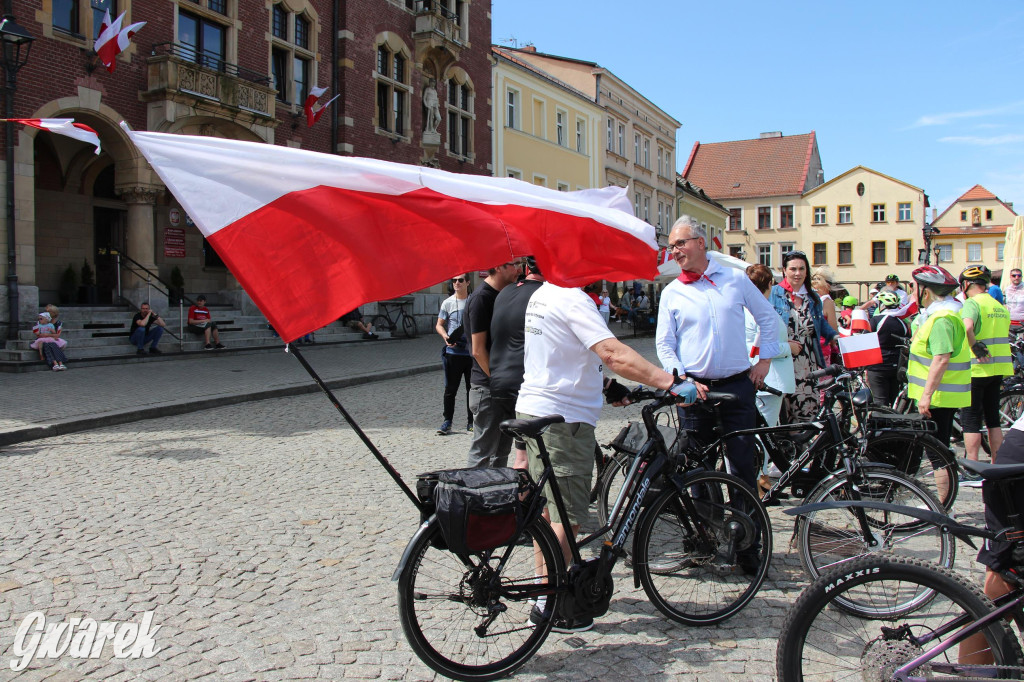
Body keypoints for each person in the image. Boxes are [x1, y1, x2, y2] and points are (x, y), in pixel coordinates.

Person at [518, 277, 698, 633]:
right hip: (564, 421)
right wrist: (670, 383)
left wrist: (608, 388)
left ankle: (548, 590)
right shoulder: (574, 300)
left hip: (536, 410)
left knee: (549, 512)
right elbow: (613, 353)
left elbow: (566, 353)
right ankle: (545, 605)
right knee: (567, 517)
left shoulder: (543, 294)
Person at [655, 216, 781, 489]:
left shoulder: (735, 279)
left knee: (742, 466)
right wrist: (681, 380)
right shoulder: (672, 293)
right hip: (695, 391)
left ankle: (747, 528)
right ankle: (706, 528)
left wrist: (765, 361)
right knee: (699, 471)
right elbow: (665, 344)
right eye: (671, 246)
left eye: (680, 243)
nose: (674, 250)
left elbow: (768, 318)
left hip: (737, 386)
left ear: (700, 243)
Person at [958, 411, 1024, 666]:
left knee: (1000, 588)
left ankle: (971, 671)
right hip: (1017, 473)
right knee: (1003, 581)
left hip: (1014, 462)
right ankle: (969, 672)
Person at [906, 265, 971, 451]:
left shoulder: (942, 319)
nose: (912, 292)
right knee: (938, 450)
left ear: (925, 292)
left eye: (914, 287)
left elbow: (941, 358)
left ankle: (946, 481)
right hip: (939, 395)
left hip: (937, 397)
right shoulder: (938, 314)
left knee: (937, 454)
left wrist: (926, 396)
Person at [488, 257, 545, 469]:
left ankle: (513, 496)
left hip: (498, 382)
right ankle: (530, 500)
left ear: (527, 268)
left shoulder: (505, 292)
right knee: (530, 457)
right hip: (524, 384)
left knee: (512, 454)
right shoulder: (543, 295)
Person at [958, 265, 1013, 484]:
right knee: (992, 418)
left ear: (966, 284)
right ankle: (996, 465)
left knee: (970, 419)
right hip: (998, 368)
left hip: (976, 368)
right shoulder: (998, 305)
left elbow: (967, 327)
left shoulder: (973, 303)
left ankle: (972, 467)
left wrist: (974, 346)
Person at [464, 261, 521, 468]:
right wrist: (498, 382)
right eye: (515, 265)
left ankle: (496, 496)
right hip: (488, 388)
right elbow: (478, 350)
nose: (520, 270)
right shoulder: (482, 298)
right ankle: (472, 498)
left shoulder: (504, 295)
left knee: (501, 454)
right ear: (498, 266)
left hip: (501, 388)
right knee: (482, 454)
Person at [744, 264, 795, 493]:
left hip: (762, 379)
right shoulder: (761, 309)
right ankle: (759, 482)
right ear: (770, 285)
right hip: (767, 379)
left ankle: (758, 479)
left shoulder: (745, 308)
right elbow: (760, 347)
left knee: (757, 434)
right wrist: (790, 348)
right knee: (763, 436)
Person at [773, 251, 838, 423]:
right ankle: (785, 447)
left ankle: (803, 447)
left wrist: (834, 336)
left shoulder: (813, 297)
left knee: (806, 412)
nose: (797, 273)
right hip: (782, 361)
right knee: (781, 413)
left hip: (807, 363)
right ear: (784, 270)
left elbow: (820, 324)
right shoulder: (774, 294)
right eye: (793, 269)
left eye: (802, 269)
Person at [435, 274, 472, 435]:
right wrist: (445, 337)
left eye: (460, 280)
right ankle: (447, 421)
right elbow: (439, 325)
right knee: (450, 389)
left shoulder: (473, 302)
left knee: (472, 389)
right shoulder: (448, 303)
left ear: (468, 282)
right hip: (453, 353)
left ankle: (471, 422)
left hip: (471, 353)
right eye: (454, 280)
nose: (457, 283)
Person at [867, 291, 909, 406]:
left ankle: (880, 423)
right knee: (895, 402)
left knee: (880, 401)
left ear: (882, 305)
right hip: (897, 366)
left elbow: (865, 341)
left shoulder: (875, 320)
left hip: (877, 366)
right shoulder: (903, 323)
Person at [810, 266, 839, 364]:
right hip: (822, 349)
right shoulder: (827, 302)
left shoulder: (807, 298)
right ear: (828, 285)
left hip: (808, 347)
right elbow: (833, 329)